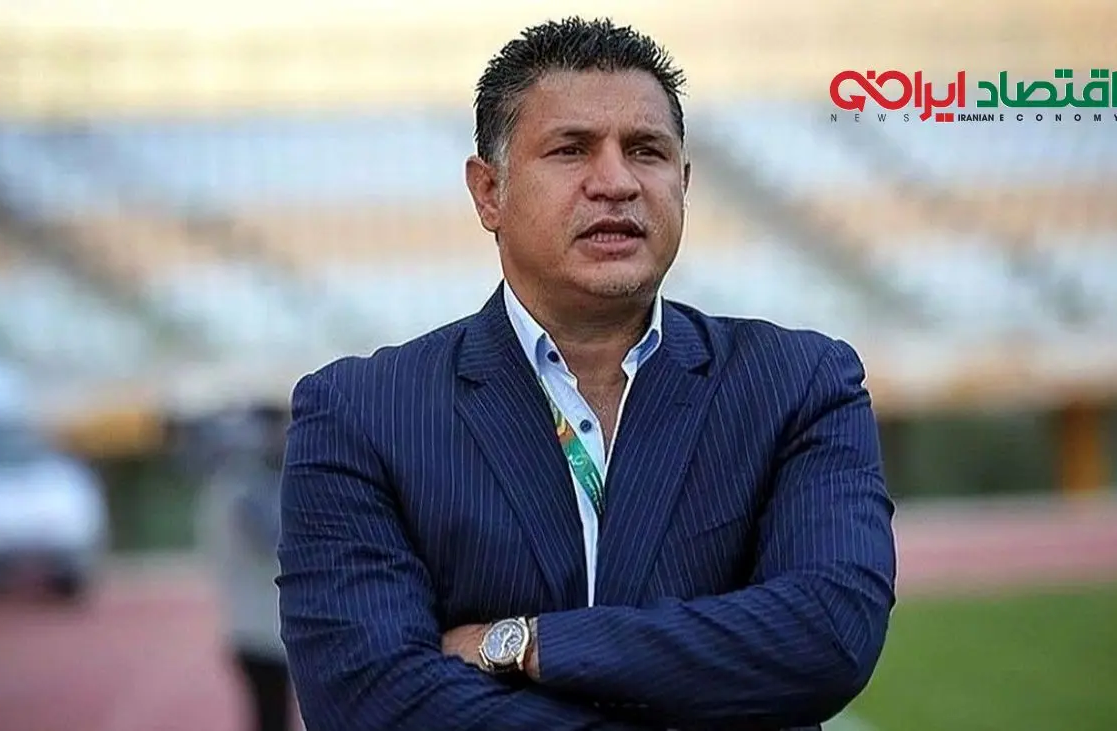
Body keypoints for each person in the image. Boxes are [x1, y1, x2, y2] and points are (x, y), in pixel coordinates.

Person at [278, 16, 897, 731]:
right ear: (489, 191)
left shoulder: (799, 384)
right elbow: (369, 698)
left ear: (684, 183)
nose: (616, 182)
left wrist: (526, 644)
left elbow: (829, 632)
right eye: (571, 149)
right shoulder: (361, 413)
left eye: (646, 151)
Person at [198, 406, 294, 731]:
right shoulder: (245, 489)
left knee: (270, 716)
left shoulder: (232, 485)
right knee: (272, 717)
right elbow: (273, 541)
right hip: (260, 630)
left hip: (252, 627)